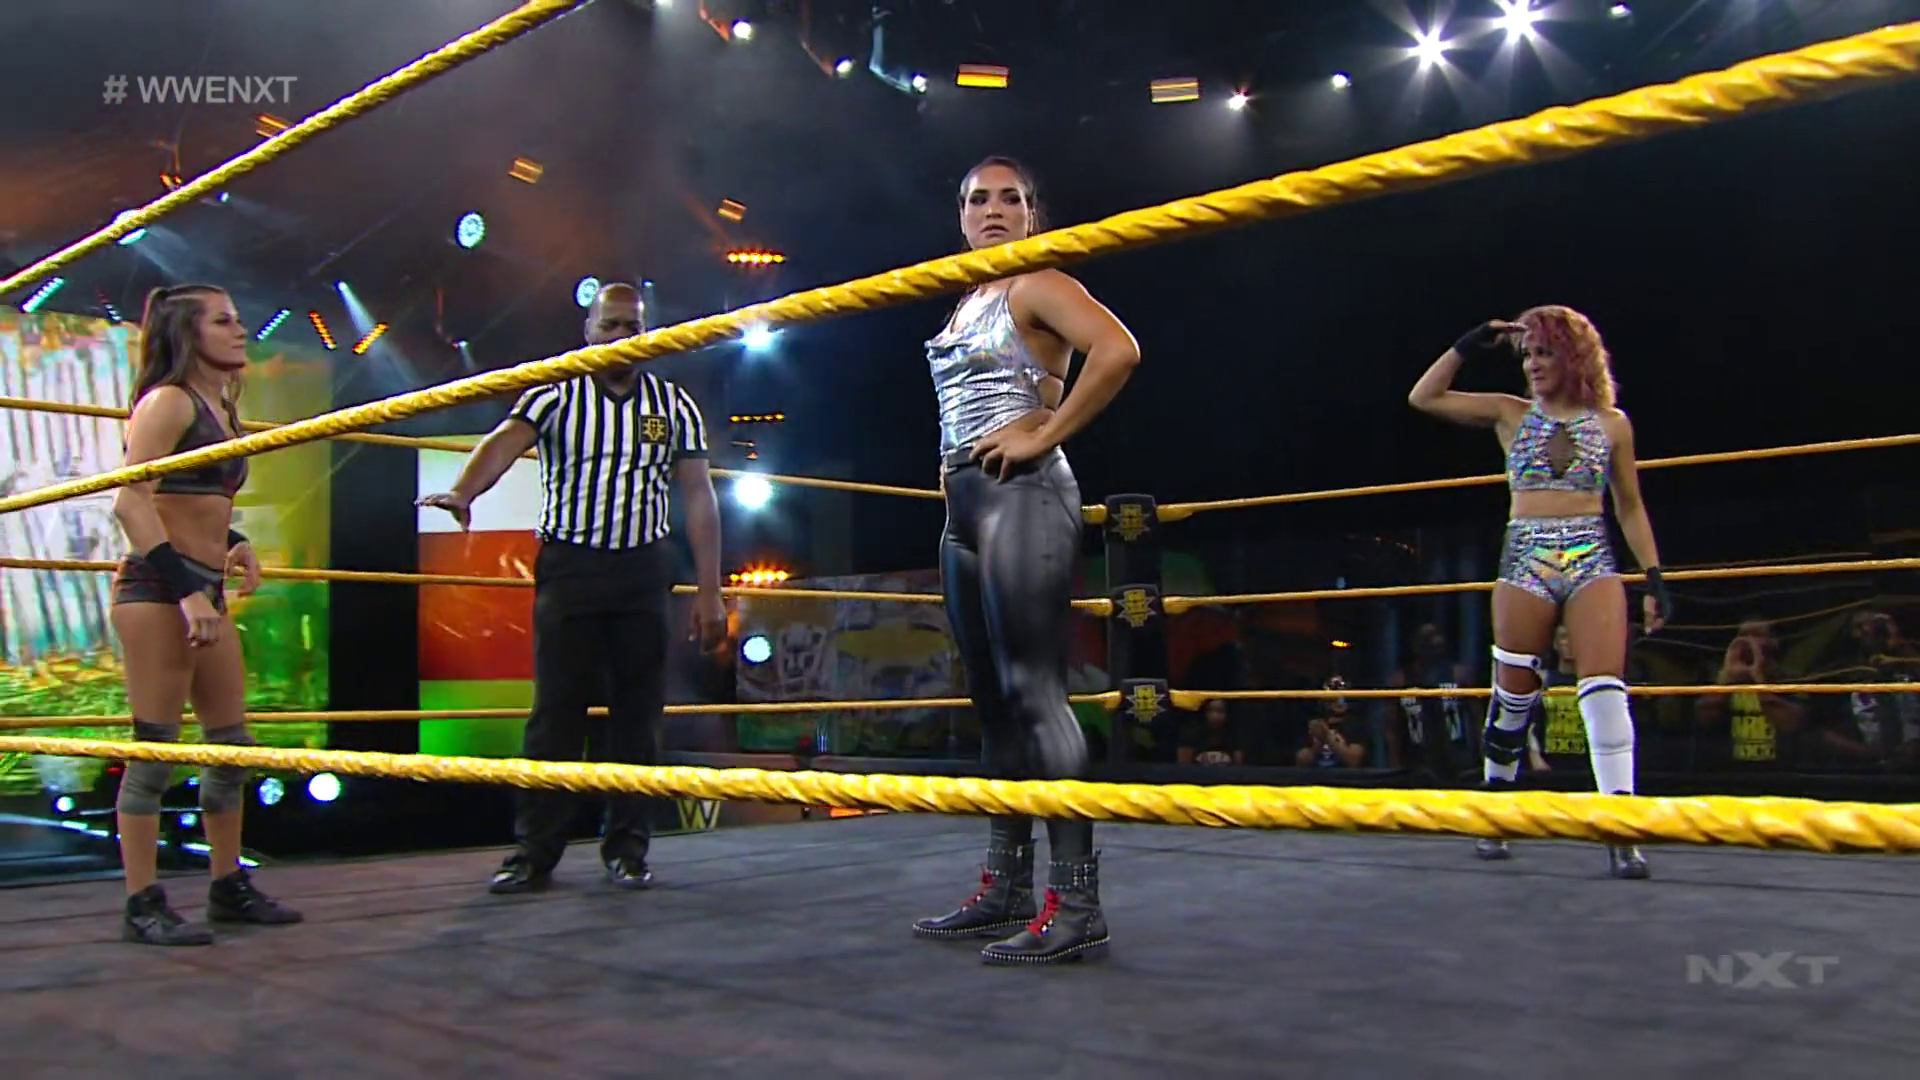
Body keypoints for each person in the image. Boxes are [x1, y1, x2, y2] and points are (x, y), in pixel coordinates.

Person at [419, 282, 727, 895]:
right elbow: (505, 441)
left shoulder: (674, 405)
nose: (622, 336)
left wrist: (710, 589)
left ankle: (628, 849)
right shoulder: (555, 392)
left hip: (643, 568)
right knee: (556, 714)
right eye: (610, 325)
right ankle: (534, 852)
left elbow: (699, 494)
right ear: (588, 331)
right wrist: (463, 491)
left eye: (632, 326)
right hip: (571, 565)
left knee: (639, 716)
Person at [910, 156, 1141, 965]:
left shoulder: (1039, 283)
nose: (994, 209)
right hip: (965, 508)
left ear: (1033, 213)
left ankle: (1077, 903)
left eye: (1011, 197)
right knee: (994, 702)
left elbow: (1118, 350)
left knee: (1034, 691)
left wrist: (1046, 432)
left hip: (1024, 495)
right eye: (979, 198)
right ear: (961, 215)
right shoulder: (967, 300)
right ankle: (1006, 885)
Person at [1408, 306, 1670, 879]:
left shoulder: (1612, 425)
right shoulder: (1510, 413)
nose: (1532, 365)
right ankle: (1495, 814)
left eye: (1544, 353)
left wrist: (1652, 577)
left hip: (1590, 552)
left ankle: (1621, 831)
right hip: (1526, 554)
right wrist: (1467, 343)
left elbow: (1629, 505)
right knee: (1514, 695)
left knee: (1605, 690)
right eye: (1527, 355)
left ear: (1573, 358)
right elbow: (1423, 398)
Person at [110, 284, 303, 945]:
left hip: (203, 588)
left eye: (238, 319)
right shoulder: (168, 402)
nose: (240, 330)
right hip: (159, 591)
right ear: (189, 333)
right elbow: (131, 501)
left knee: (230, 746)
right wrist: (185, 590)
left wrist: (234, 542)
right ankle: (142, 902)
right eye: (223, 321)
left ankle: (228, 886)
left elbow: (192, 502)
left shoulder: (219, 405)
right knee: (155, 752)